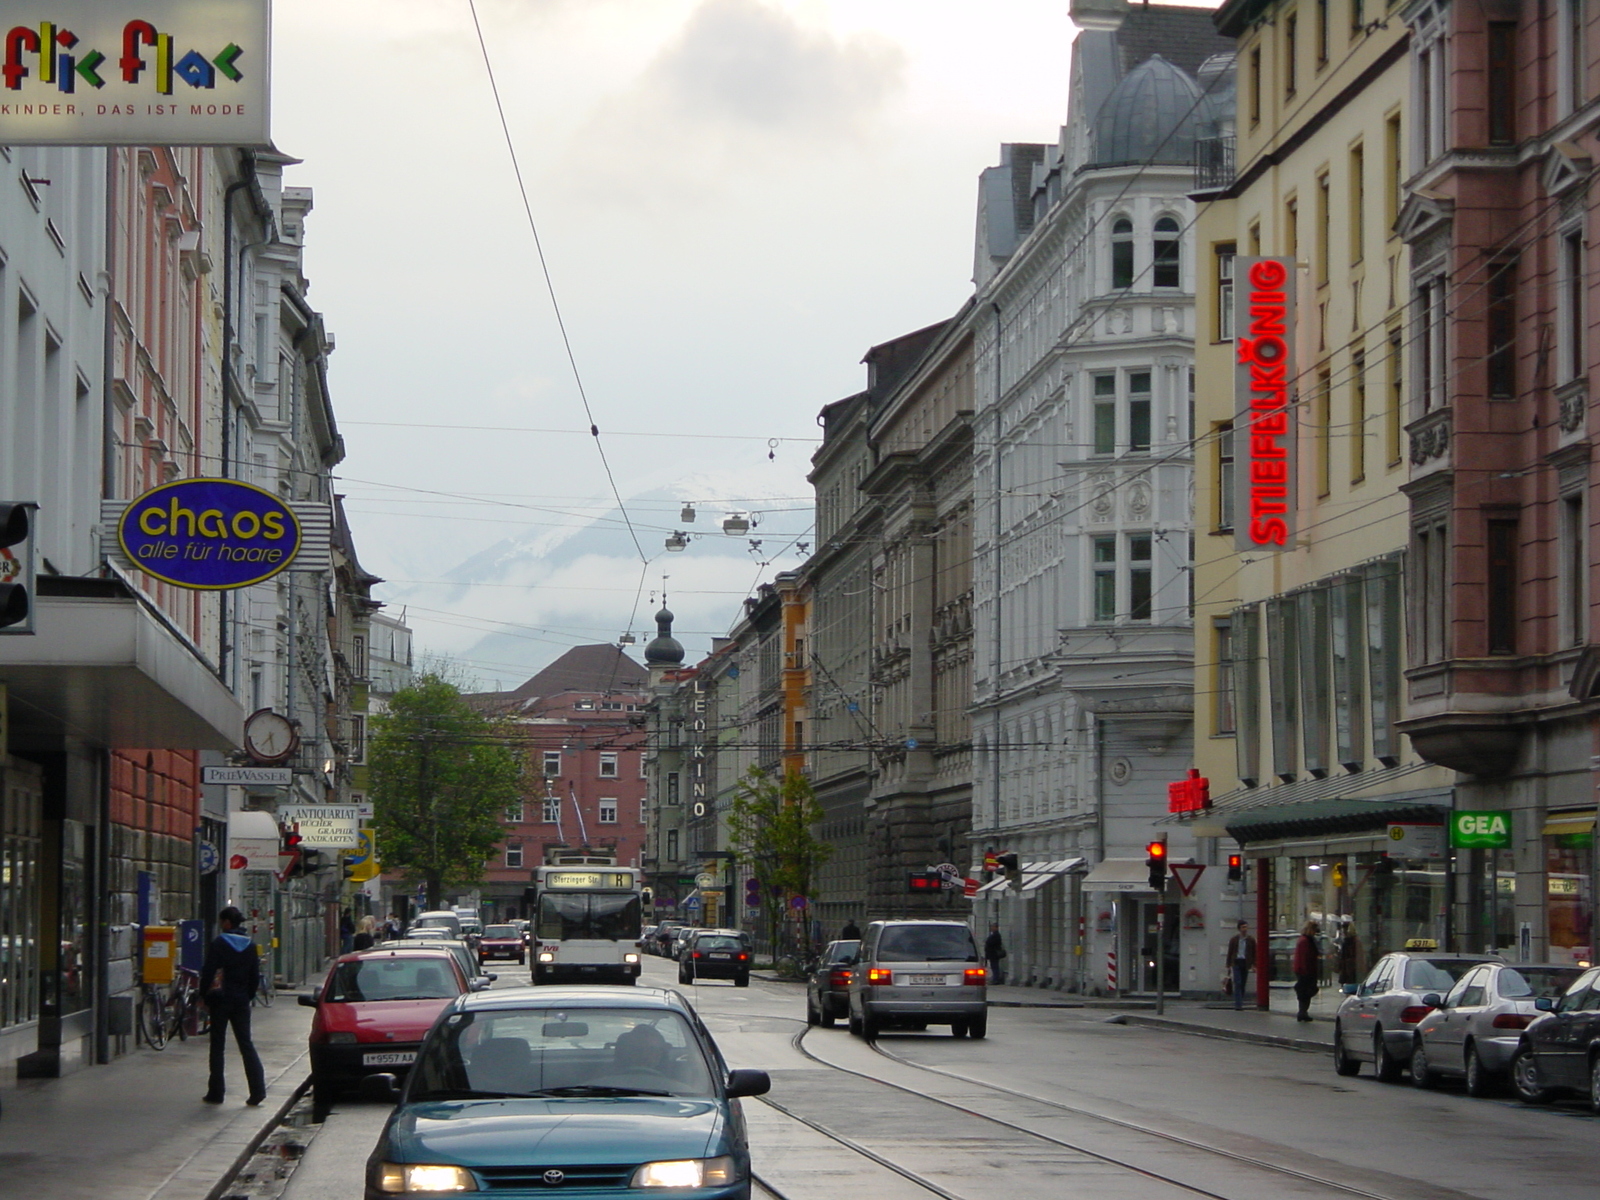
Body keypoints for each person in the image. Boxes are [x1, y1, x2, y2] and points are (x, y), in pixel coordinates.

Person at [201, 906, 267, 1106]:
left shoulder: (219, 943)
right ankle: (257, 1090)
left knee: (217, 1046)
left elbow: (209, 972)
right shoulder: (250, 946)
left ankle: (216, 1092)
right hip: (240, 1001)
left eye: (222, 922)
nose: (221, 925)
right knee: (246, 1044)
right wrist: (246, 996)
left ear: (227, 923)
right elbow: (254, 977)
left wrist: (203, 995)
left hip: (220, 1000)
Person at [1292, 920, 1321, 1022]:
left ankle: (1303, 1012)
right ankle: (1302, 1012)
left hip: (1305, 970)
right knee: (1306, 992)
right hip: (1306, 970)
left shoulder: (1305, 940)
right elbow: (1304, 957)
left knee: (1305, 992)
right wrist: (1305, 971)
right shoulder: (1306, 941)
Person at [1224, 920, 1256, 1011]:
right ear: (1239, 929)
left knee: (1243, 983)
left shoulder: (1251, 940)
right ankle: (1238, 1005)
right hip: (1236, 962)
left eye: (1246, 927)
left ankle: (1240, 1000)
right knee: (1237, 982)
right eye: (1243, 927)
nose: (1245, 929)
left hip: (1245, 963)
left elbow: (1254, 953)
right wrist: (1228, 964)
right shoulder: (1234, 940)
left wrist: (1254, 965)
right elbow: (1230, 952)